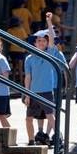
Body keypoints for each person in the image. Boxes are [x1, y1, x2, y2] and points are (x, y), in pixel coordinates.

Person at [24, 13, 60, 145]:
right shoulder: (29, 58)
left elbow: (52, 38)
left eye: (43, 41)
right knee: (28, 118)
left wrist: (49, 22)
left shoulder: (49, 54)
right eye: (38, 40)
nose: (41, 42)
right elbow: (28, 77)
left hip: (46, 91)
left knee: (50, 116)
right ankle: (31, 140)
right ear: (34, 42)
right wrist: (27, 93)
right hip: (33, 92)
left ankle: (58, 137)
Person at [7, 17, 28, 84]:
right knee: (20, 67)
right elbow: (24, 39)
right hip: (21, 50)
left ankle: (13, 80)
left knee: (14, 66)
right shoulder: (22, 29)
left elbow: (8, 40)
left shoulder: (9, 30)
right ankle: (21, 82)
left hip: (12, 50)